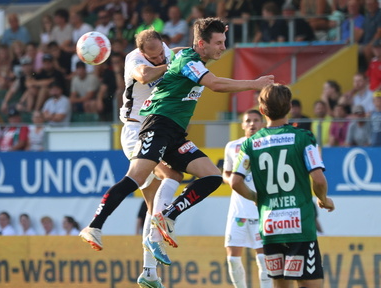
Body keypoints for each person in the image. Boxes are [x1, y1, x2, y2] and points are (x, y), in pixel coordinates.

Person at [79, 18, 273, 261]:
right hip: (157, 126)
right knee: (136, 178)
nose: (223, 47)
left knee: (213, 176)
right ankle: (94, 225)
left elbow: (182, 52)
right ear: (202, 44)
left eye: (224, 42)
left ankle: (167, 215)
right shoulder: (185, 62)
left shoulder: (187, 57)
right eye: (219, 43)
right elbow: (215, 84)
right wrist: (254, 84)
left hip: (175, 134)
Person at [80, 29, 185, 287]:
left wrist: (189, 52)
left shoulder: (166, 52)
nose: (160, 57)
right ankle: (102, 226)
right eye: (154, 55)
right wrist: (170, 63)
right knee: (170, 175)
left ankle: (149, 273)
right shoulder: (134, 60)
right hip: (135, 130)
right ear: (142, 52)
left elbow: (178, 52)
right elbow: (145, 75)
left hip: (157, 129)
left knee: (153, 200)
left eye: (162, 51)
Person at [230, 83, 335, 288]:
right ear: (289, 108)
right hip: (299, 225)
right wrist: (324, 200)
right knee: (310, 283)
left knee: (280, 284)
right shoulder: (303, 138)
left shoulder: (250, 144)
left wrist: (255, 198)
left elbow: (235, 181)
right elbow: (319, 179)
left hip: (270, 226)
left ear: (262, 110)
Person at [223, 109, 272, 288]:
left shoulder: (269, 145)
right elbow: (226, 173)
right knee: (233, 259)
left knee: (263, 258)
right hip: (238, 211)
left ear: (262, 124)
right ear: (242, 125)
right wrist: (234, 182)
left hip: (261, 211)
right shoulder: (232, 146)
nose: (252, 124)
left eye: (256, 120)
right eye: (248, 121)